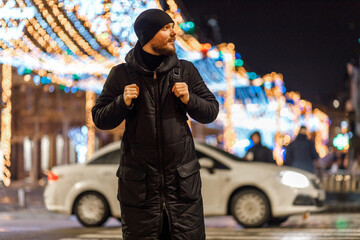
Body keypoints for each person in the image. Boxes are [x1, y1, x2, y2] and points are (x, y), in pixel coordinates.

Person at [92, 9, 219, 240]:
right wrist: (122, 102)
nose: (173, 33)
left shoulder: (186, 71)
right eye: (166, 28)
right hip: (140, 194)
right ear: (148, 35)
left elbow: (211, 111)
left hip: (182, 192)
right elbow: (100, 118)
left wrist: (190, 98)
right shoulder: (121, 75)